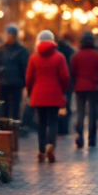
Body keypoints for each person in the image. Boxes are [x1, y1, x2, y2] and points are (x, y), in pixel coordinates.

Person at [26, 29, 69, 163]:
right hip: (54, 94)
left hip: (38, 95)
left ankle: (41, 150)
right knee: (53, 122)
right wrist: (62, 89)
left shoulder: (34, 57)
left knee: (41, 123)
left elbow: (29, 77)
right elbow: (65, 77)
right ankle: (51, 145)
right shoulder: (59, 57)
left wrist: (30, 91)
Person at [69, 31, 98, 149]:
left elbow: (72, 71)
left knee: (80, 112)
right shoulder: (97, 55)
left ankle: (79, 136)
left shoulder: (76, 55)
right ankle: (92, 138)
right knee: (92, 113)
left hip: (79, 87)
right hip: (93, 87)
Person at [0, 25, 30, 125]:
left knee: (15, 107)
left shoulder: (22, 51)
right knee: (4, 107)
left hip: (16, 83)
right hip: (4, 82)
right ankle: (5, 126)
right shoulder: (1, 50)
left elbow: (25, 67)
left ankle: (14, 127)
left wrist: (25, 82)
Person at [55, 33, 76, 135]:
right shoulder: (71, 52)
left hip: (57, 82)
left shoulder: (57, 51)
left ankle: (58, 127)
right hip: (68, 82)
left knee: (57, 105)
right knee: (65, 105)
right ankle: (64, 128)